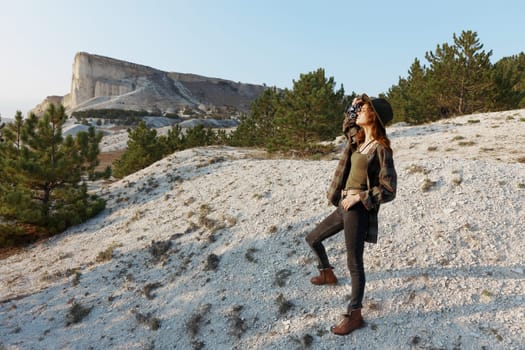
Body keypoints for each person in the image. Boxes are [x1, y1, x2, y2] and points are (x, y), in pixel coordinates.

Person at [305, 93, 397, 335]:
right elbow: (348, 124)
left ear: (374, 118)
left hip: (358, 209)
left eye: (366, 108)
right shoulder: (358, 139)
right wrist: (352, 106)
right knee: (313, 238)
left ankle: (355, 314)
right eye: (362, 108)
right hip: (344, 204)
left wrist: (360, 197)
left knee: (354, 263)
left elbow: (389, 190)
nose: (361, 111)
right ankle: (327, 273)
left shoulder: (381, 149)